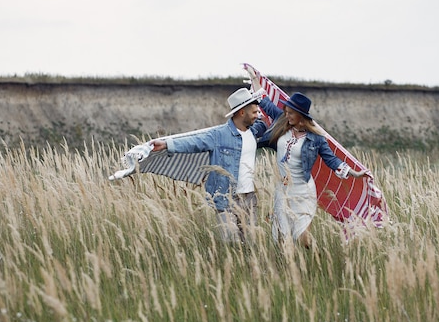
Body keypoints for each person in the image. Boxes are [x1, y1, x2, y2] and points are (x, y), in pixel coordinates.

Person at [253, 86, 371, 248]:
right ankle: (288, 268)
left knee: (303, 239)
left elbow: (332, 160)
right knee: (282, 237)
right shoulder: (283, 122)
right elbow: (266, 104)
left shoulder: (316, 139)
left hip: (303, 191)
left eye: (290, 112)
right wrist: (253, 80)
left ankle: (319, 259)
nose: (286, 114)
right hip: (283, 189)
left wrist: (354, 174)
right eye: (286, 111)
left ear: (301, 116)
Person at [150, 87, 267, 243]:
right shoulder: (218, 135)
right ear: (241, 113)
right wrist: (166, 144)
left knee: (250, 243)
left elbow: (266, 121)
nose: (257, 116)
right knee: (231, 243)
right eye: (254, 112)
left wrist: (258, 89)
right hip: (226, 197)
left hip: (249, 198)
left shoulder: (254, 130)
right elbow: (193, 142)